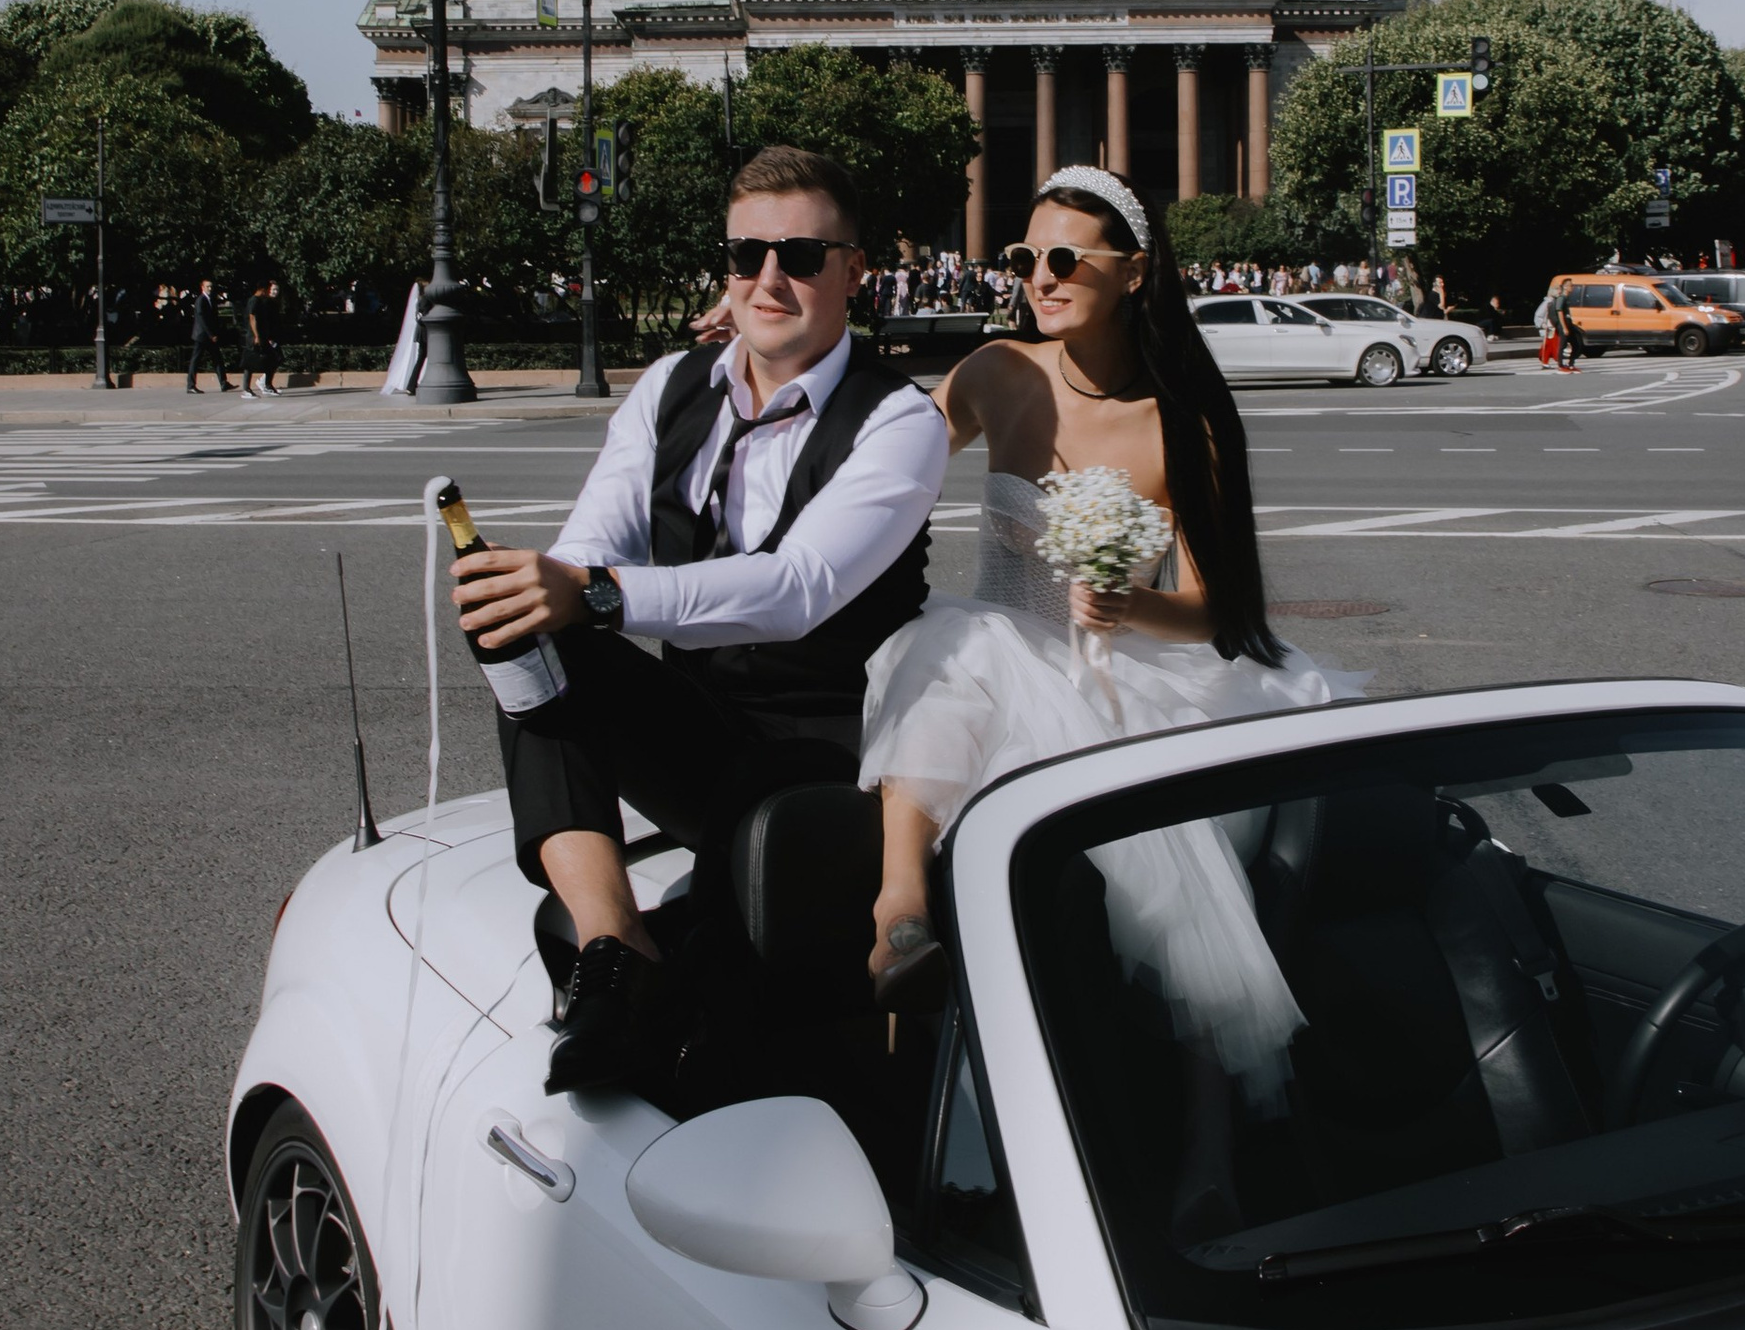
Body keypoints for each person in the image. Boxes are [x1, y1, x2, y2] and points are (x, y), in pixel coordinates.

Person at [451, 143, 948, 1097]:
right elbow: (591, 543)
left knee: (574, 611)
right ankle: (616, 946)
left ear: (854, 271)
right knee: (532, 635)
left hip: (832, 750)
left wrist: (597, 591)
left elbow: (798, 587)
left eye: (801, 257)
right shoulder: (671, 386)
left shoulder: (899, 419)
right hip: (702, 732)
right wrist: (532, 587)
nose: (769, 278)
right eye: (747, 254)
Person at [860, 166, 1345, 1095]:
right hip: (996, 653)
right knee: (952, 647)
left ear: (1133, 271)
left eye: (1064, 260)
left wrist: (1129, 605)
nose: (1039, 279)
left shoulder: (1184, 421)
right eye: (1025, 258)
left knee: (1172, 908)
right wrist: (773, 360)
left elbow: (1216, 610)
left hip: (1125, 672)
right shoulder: (996, 373)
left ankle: (1190, 1128)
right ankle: (900, 920)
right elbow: (878, 472)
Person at [186, 275, 231, 394]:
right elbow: (202, 320)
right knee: (196, 360)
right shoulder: (201, 300)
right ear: (202, 287)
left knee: (218, 359)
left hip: (209, 336)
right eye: (207, 287)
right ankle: (191, 385)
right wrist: (211, 335)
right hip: (202, 335)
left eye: (211, 286)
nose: (210, 289)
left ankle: (224, 383)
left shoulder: (210, 299)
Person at [243, 277, 285, 398]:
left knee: (272, 359)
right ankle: (246, 389)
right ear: (263, 289)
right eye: (268, 290)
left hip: (262, 336)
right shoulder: (254, 300)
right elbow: (252, 318)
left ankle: (267, 385)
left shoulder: (261, 300)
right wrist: (256, 335)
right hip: (254, 337)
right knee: (249, 363)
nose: (269, 292)